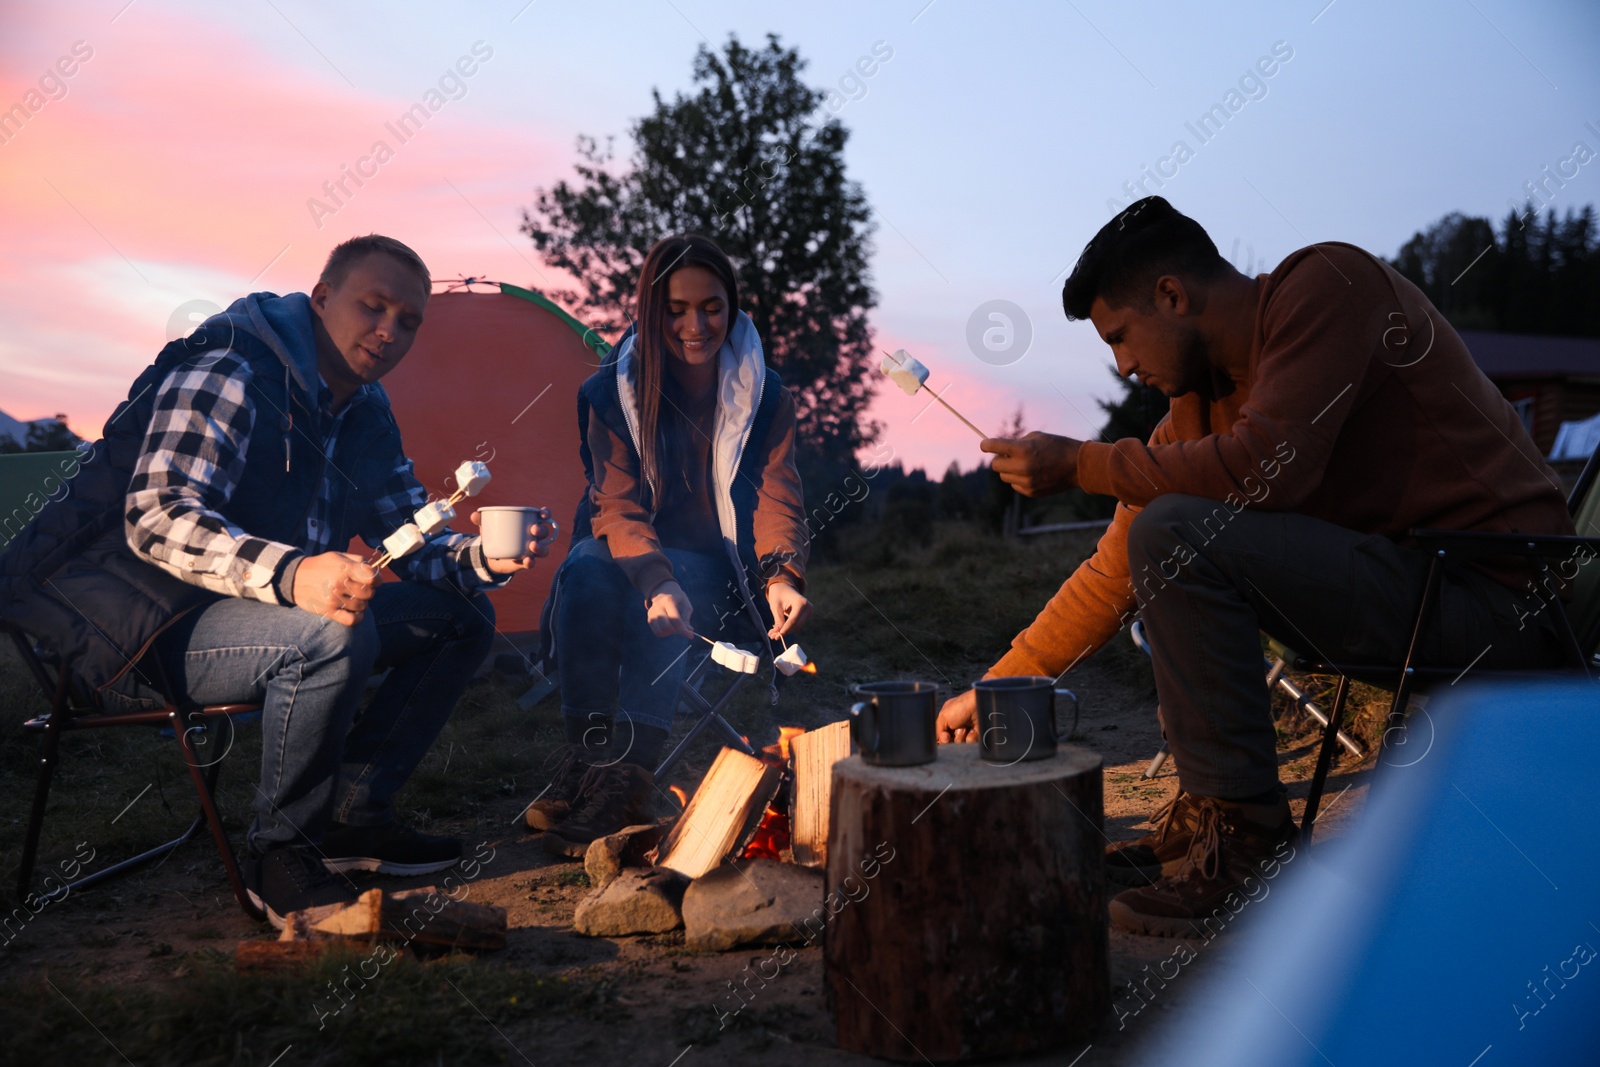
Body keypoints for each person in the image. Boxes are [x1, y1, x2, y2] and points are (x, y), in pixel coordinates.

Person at [935, 197, 1573, 937]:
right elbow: (1112, 573)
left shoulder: (1326, 286)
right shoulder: (1197, 412)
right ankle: (1211, 818)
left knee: (1175, 528)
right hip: (1412, 592)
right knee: (1161, 534)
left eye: (1120, 337)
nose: (1124, 366)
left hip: (1500, 606)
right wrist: (996, 687)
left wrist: (1083, 462)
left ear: (1172, 294)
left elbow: (1270, 469)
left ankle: (1245, 836)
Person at [0, 235, 556, 927]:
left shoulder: (365, 410)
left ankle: (356, 817)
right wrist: (294, 574)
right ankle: (281, 855)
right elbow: (156, 517)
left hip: (250, 615)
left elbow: (409, 540)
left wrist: (482, 561)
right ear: (322, 299)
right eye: (373, 306)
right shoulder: (231, 370)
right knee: (327, 632)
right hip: (128, 632)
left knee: (460, 616)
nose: (389, 331)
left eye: (408, 319)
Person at [527, 233, 810, 855]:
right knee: (585, 569)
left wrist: (783, 573)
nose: (694, 324)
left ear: (731, 308)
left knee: (662, 573)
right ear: (650, 312)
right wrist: (656, 580)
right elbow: (617, 504)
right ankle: (594, 756)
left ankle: (624, 778)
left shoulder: (766, 395)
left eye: (711, 306)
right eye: (676, 308)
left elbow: (777, 496)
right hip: (636, 566)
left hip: (729, 581)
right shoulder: (609, 393)